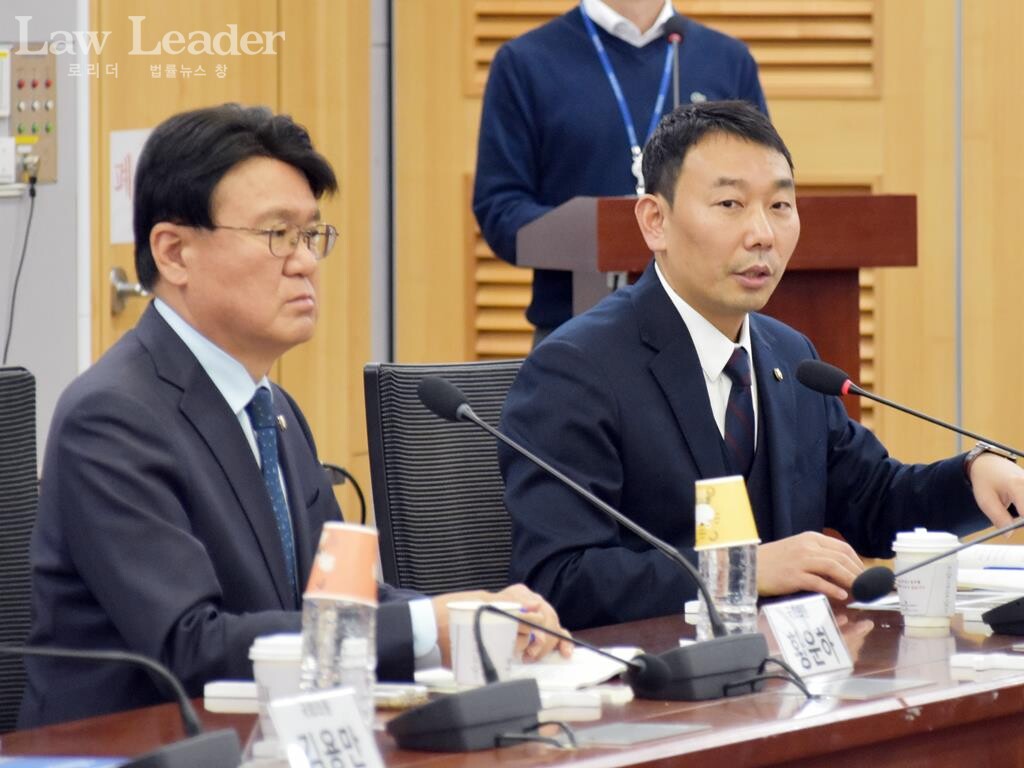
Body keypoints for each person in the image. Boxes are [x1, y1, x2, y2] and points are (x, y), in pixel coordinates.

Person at [20, 104, 570, 729]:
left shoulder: (271, 407)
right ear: (174, 253)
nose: (306, 261)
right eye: (277, 234)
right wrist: (423, 626)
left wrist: (468, 615)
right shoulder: (113, 416)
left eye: (312, 235)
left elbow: (337, 603)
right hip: (134, 747)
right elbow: (189, 646)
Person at [499, 100, 1024, 630]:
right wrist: (742, 571)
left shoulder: (790, 356)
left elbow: (873, 501)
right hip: (655, 689)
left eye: (780, 206)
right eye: (729, 204)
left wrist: (973, 475)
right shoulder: (576, 369)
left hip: (788, 684)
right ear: (655, 221)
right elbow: (560, 579)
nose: (763, 234)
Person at [473, 0, 766, 343]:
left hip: (712, 333)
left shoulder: (727, 60)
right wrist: (604, 234)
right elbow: (500, 208)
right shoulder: (525, 62)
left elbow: (759, 193)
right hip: (574, 334)